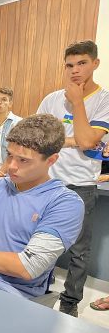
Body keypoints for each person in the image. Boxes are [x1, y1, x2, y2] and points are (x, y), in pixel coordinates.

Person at [0, 114, 85, 298]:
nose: (11, 166)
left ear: (51, 160)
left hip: (11, 292)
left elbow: (28, 266)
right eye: (10, 155)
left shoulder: (64, 203)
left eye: (23, 160)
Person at [37, 40, 109, 316]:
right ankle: (39, 289)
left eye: (82, 63)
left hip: (82, 185)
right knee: (41, 240)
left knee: (79, 249)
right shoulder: (52, 99)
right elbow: (39, 138)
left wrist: (78, 101)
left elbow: (88, 140)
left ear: (95, 64)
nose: (75, 70)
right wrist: (73, 141)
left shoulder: (103, 100)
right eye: (69, 65)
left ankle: (70, 304)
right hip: (48, 181)